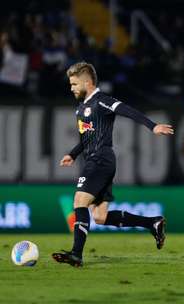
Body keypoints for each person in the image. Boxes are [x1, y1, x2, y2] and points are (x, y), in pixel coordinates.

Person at [52, 62, 174, 267]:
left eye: (74, 84)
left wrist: (152, 126)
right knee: (99, 216)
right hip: (97, 160)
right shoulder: (81, 109)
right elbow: (85, 139)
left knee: (79, 202)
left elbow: (127, 110)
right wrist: (72, 155)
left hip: (100, 160)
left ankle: (76, 254)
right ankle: (152, 223)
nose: (71, 87)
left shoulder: (101, 101)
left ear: (87, 82)